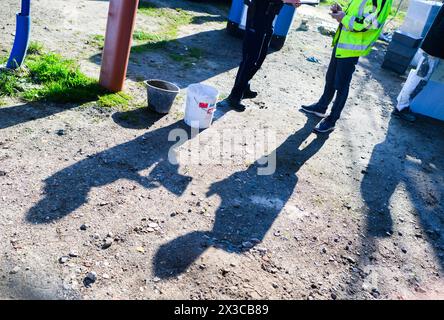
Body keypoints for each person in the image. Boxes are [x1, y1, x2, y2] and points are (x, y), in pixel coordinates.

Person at [301, 0, 393, 133]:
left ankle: (332, 120)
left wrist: (343, 17)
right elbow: (356, 13)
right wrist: (341, 11)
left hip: (352, 47)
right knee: (331, 78)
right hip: (342, 41)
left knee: (341, 85)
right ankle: (321, 107)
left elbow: (370, 23)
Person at [221, 0, 301, 111]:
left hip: (268, 19)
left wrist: (290, 2)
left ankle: (245, 87)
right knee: (250, 59)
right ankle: (235, 95)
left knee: (259, 58)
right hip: (256, 17)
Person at [394, 5, 444, 122]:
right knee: (420, 79)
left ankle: (401, 103)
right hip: (434, 49)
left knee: (419, 78)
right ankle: (401, 108)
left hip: (434, 48)